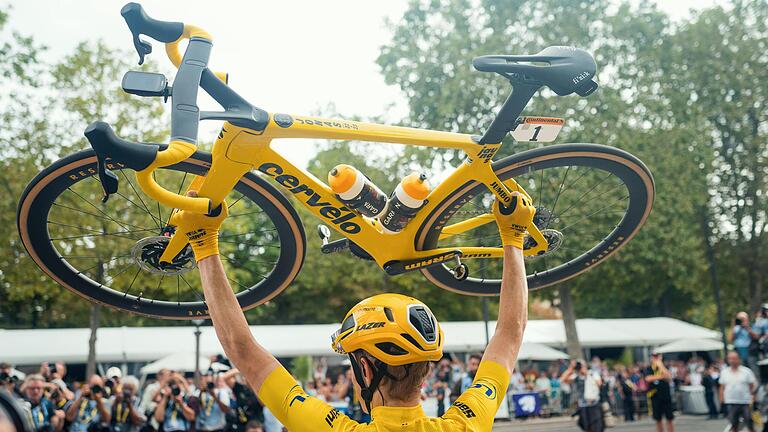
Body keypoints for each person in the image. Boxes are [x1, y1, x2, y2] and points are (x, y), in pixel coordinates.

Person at [171, 190, 535, 430]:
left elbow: (241, 348)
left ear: (364, 367)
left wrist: (203, 243)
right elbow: (509, 334)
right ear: (426, 368)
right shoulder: (466, 424)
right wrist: (515, 237)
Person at [561, 360, 603, 432]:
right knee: (586, 426)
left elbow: (599, 384)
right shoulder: (576, 376)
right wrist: (571, 368)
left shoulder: (593, 373)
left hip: (594, 404)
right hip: (583, 405)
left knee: (596, 427)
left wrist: (587, 374)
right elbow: (562, 379)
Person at [720, 351, 757, 432]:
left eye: (734, 358)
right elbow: (722, 387)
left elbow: (752, 385)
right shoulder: (724, 372)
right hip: (731, 401)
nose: (732, 360)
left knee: (749, 423)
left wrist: (753, 397)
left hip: (745, 401)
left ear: (739, 359)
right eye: (730, 358)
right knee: (734, 424)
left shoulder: (746, 371)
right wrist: (722, 399)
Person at [645, 352, 674, 432]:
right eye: (654, 356)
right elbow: (648, 378)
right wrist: (661, 377)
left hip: (665, 396)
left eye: (657, 356)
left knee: (669, 418)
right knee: (658, 418)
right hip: (655, 396)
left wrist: (661, 365)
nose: (655, 358)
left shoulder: (665, 366)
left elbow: (669, 377)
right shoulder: (650, 368)